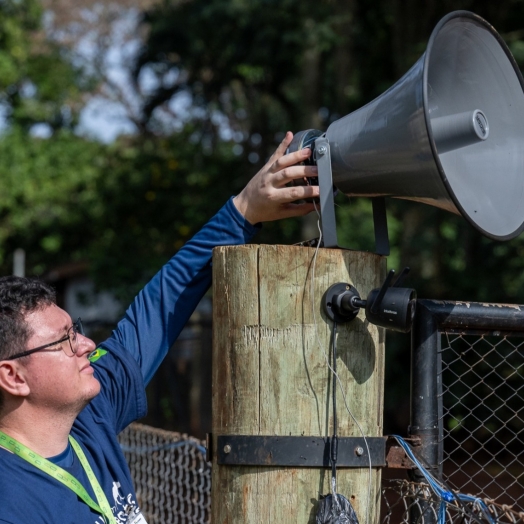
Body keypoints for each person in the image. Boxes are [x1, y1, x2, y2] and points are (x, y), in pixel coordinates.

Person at [0, 132, 320, 524]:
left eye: (75, 329)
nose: (86, 344)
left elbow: (159, 305)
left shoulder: (92, 413)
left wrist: (243, 210)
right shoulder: (11, 504)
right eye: (64, 340)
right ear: (13, 376)